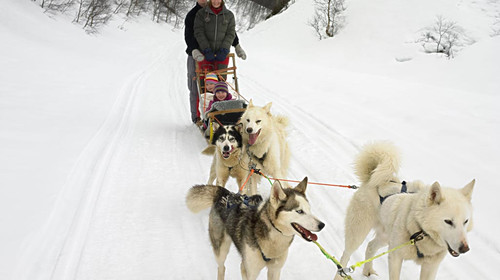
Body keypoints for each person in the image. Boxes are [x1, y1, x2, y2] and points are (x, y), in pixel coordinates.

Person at [184, 0, 246, 125]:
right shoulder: (195, 14)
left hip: (219, 55)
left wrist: (236, 45)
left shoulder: (224, 13)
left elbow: (229, 31)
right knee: (198, 86)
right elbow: (192, 34)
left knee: (219, 84)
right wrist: (196, 50)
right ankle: (198, 117)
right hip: (198, 54)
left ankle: (222, 115)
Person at [194, 0, 237, 70]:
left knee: (221, 79)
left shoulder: (229, 15)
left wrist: (224, 49)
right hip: (205, 54)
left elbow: (231, 33)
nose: (216, 1)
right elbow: (199, 32)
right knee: (207, 79)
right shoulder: (201, 13)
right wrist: (206, 49)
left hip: (222, 55)